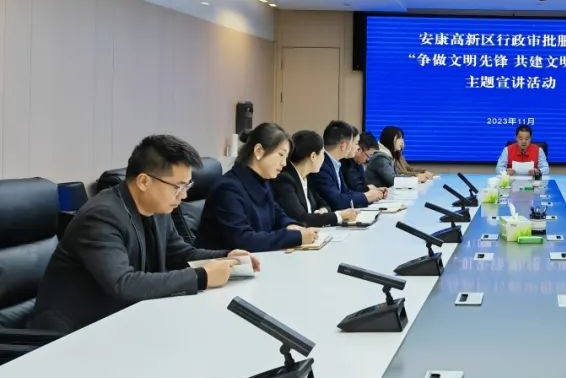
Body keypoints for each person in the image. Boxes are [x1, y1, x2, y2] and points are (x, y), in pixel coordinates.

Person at [29, 135, 258, 333]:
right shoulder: (101, 216)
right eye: (178, 186)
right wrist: (202, 277)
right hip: (72, 333)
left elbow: (179, 253)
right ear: (144, 181)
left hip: (123, 321)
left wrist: (227, 257)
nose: (183, 196)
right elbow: (123, 283)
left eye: (187, 186)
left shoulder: (157, 208)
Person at [198, 123, 319, 251]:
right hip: (224, 260)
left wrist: (290, 225)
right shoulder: (228, 189)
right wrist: (295, 237)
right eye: (281, 154)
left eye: (286, 157)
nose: (284, 163)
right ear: (258, 151)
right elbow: (244, 240)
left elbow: (277, 214)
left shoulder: (263, 181)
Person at [273, 130, 361, 228]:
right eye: (323, 154)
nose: (324, 159)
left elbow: (324, 203)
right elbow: (301, 219)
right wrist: (340, 216)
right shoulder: (285, 180)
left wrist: (324, 210)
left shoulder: (307, 176)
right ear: (313, 156)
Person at [311, 121, 388, 210]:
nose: (357, 148)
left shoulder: (334, 163)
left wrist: (370, 194)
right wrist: (366, 196)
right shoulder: (321, 166)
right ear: (343, 146)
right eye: (354, 143)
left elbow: (346, 192)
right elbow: (337, 201)